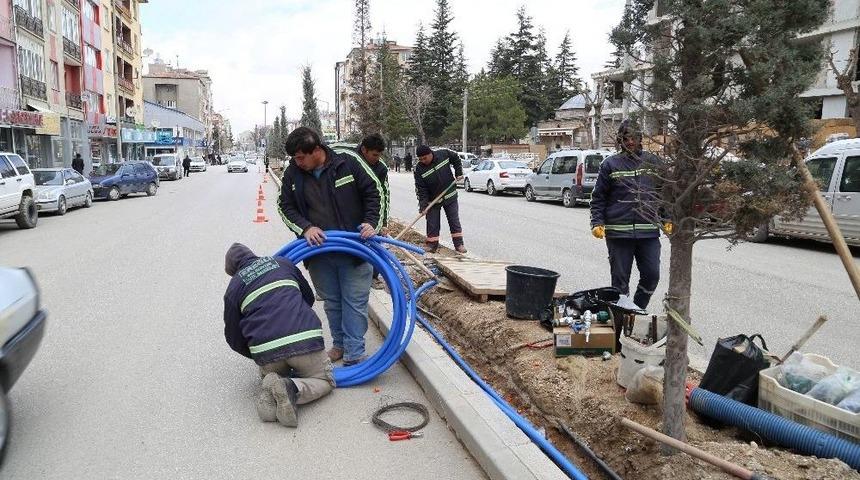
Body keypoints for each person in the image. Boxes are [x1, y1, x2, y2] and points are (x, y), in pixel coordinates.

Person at [277, 127, 384, 366]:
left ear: (316, 150)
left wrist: (371, 222)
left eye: (301, 157)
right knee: (333, 301)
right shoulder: (293, 173)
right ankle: (339, 346)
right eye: (295, 158)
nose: (297, 162)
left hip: (355, 249)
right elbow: (285, 205)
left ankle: (354, 353)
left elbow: (374, 192)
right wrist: (305, 228)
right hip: (318, 251)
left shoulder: (347, 161)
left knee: (354, 301)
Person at [222, 243, 334, 428]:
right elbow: (308, 297)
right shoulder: (283, 263)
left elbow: (233, 338)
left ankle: (270, 389)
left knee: (272, 371)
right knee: (325, 381)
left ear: (233, 270)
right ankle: (291, 387)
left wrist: (259, 354)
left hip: (267, 353)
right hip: (304, 340)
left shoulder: (234, 287)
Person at [590, 120, 669, 310]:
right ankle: (622, 318)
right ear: (620, 141)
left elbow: (665, 194)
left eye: (634, 138)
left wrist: (668, 218)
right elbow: (598, 197)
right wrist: (597, 222)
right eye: (626, 138)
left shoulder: (654, 162)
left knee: (652, 275)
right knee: (619, 283)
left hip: (648, 232)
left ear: (640, 139)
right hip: (618, 234)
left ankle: (636, 309)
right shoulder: (610, 164)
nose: (630, 142)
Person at [413, 145, 466, 254]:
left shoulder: (443, 154)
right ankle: (432, 245)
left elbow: (456, 158)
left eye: (425, 158)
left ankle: (459, 244)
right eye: (420, 159)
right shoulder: (419, 169)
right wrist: (423, 206)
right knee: (432, 223)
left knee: (453, 220)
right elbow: (421, 189)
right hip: (433, 200)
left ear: (430, 153)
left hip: (449, 194)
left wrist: (458, 172)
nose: (423, 161)